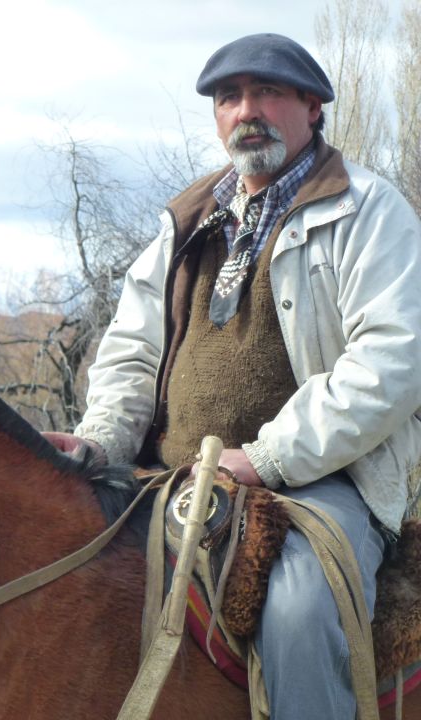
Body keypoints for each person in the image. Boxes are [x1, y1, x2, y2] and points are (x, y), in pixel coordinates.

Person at [45, 33, 421, 719]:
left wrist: (268, 457)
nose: (246, 110)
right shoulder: (184, 222)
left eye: (268, 93)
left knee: (301, 610)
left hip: (323, 483)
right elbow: (131, 350)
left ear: (312, 106)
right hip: (170, 475)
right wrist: (100, 440)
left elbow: (393, 360)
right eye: (228, 98)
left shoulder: (368, 210)